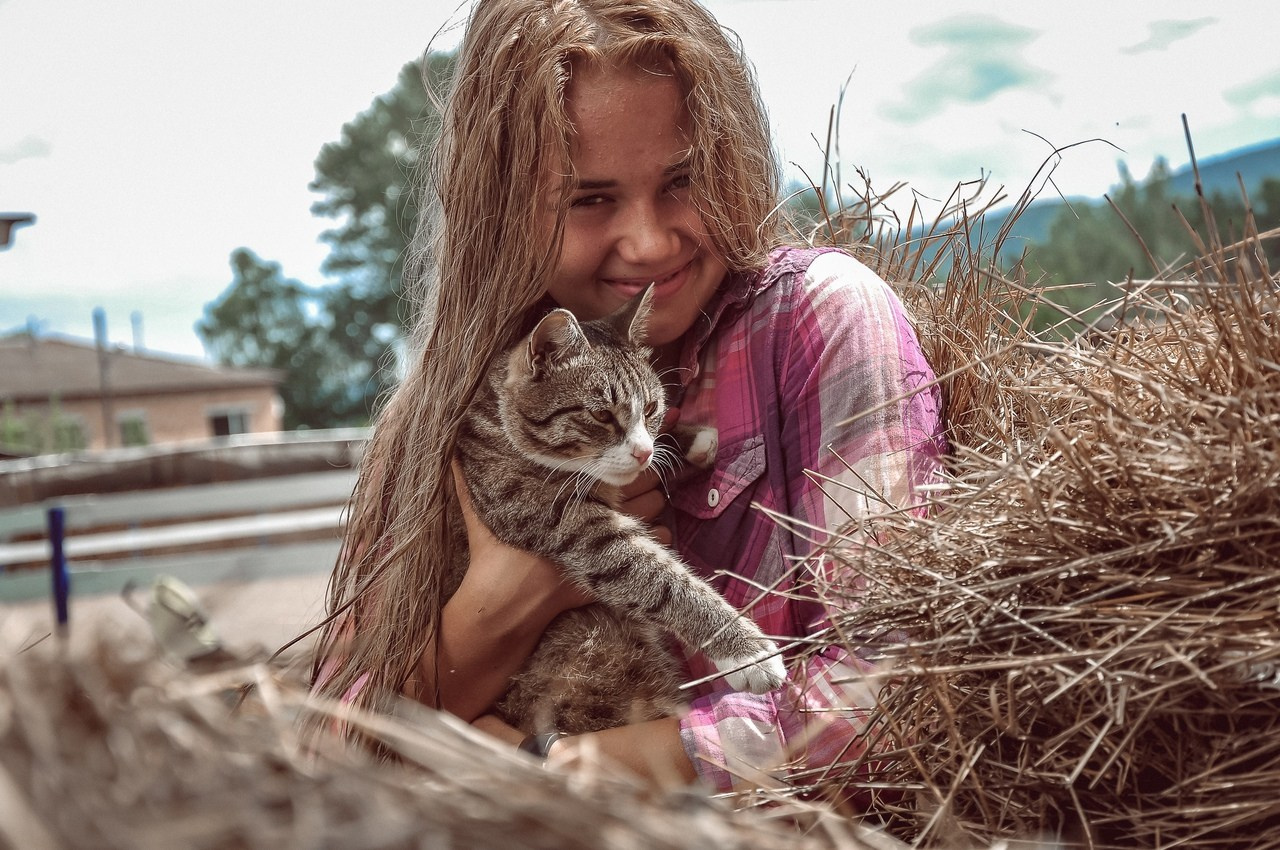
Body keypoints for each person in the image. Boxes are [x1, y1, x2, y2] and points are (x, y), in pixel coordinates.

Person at [308, 0, 944, 798]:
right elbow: (333, 746)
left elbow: (901, 690)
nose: (648, 244)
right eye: (589, 199)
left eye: (683, 180)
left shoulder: (818, 321)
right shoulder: (440, 411)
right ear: (502, 210)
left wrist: (561, 774)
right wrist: (499, 608)